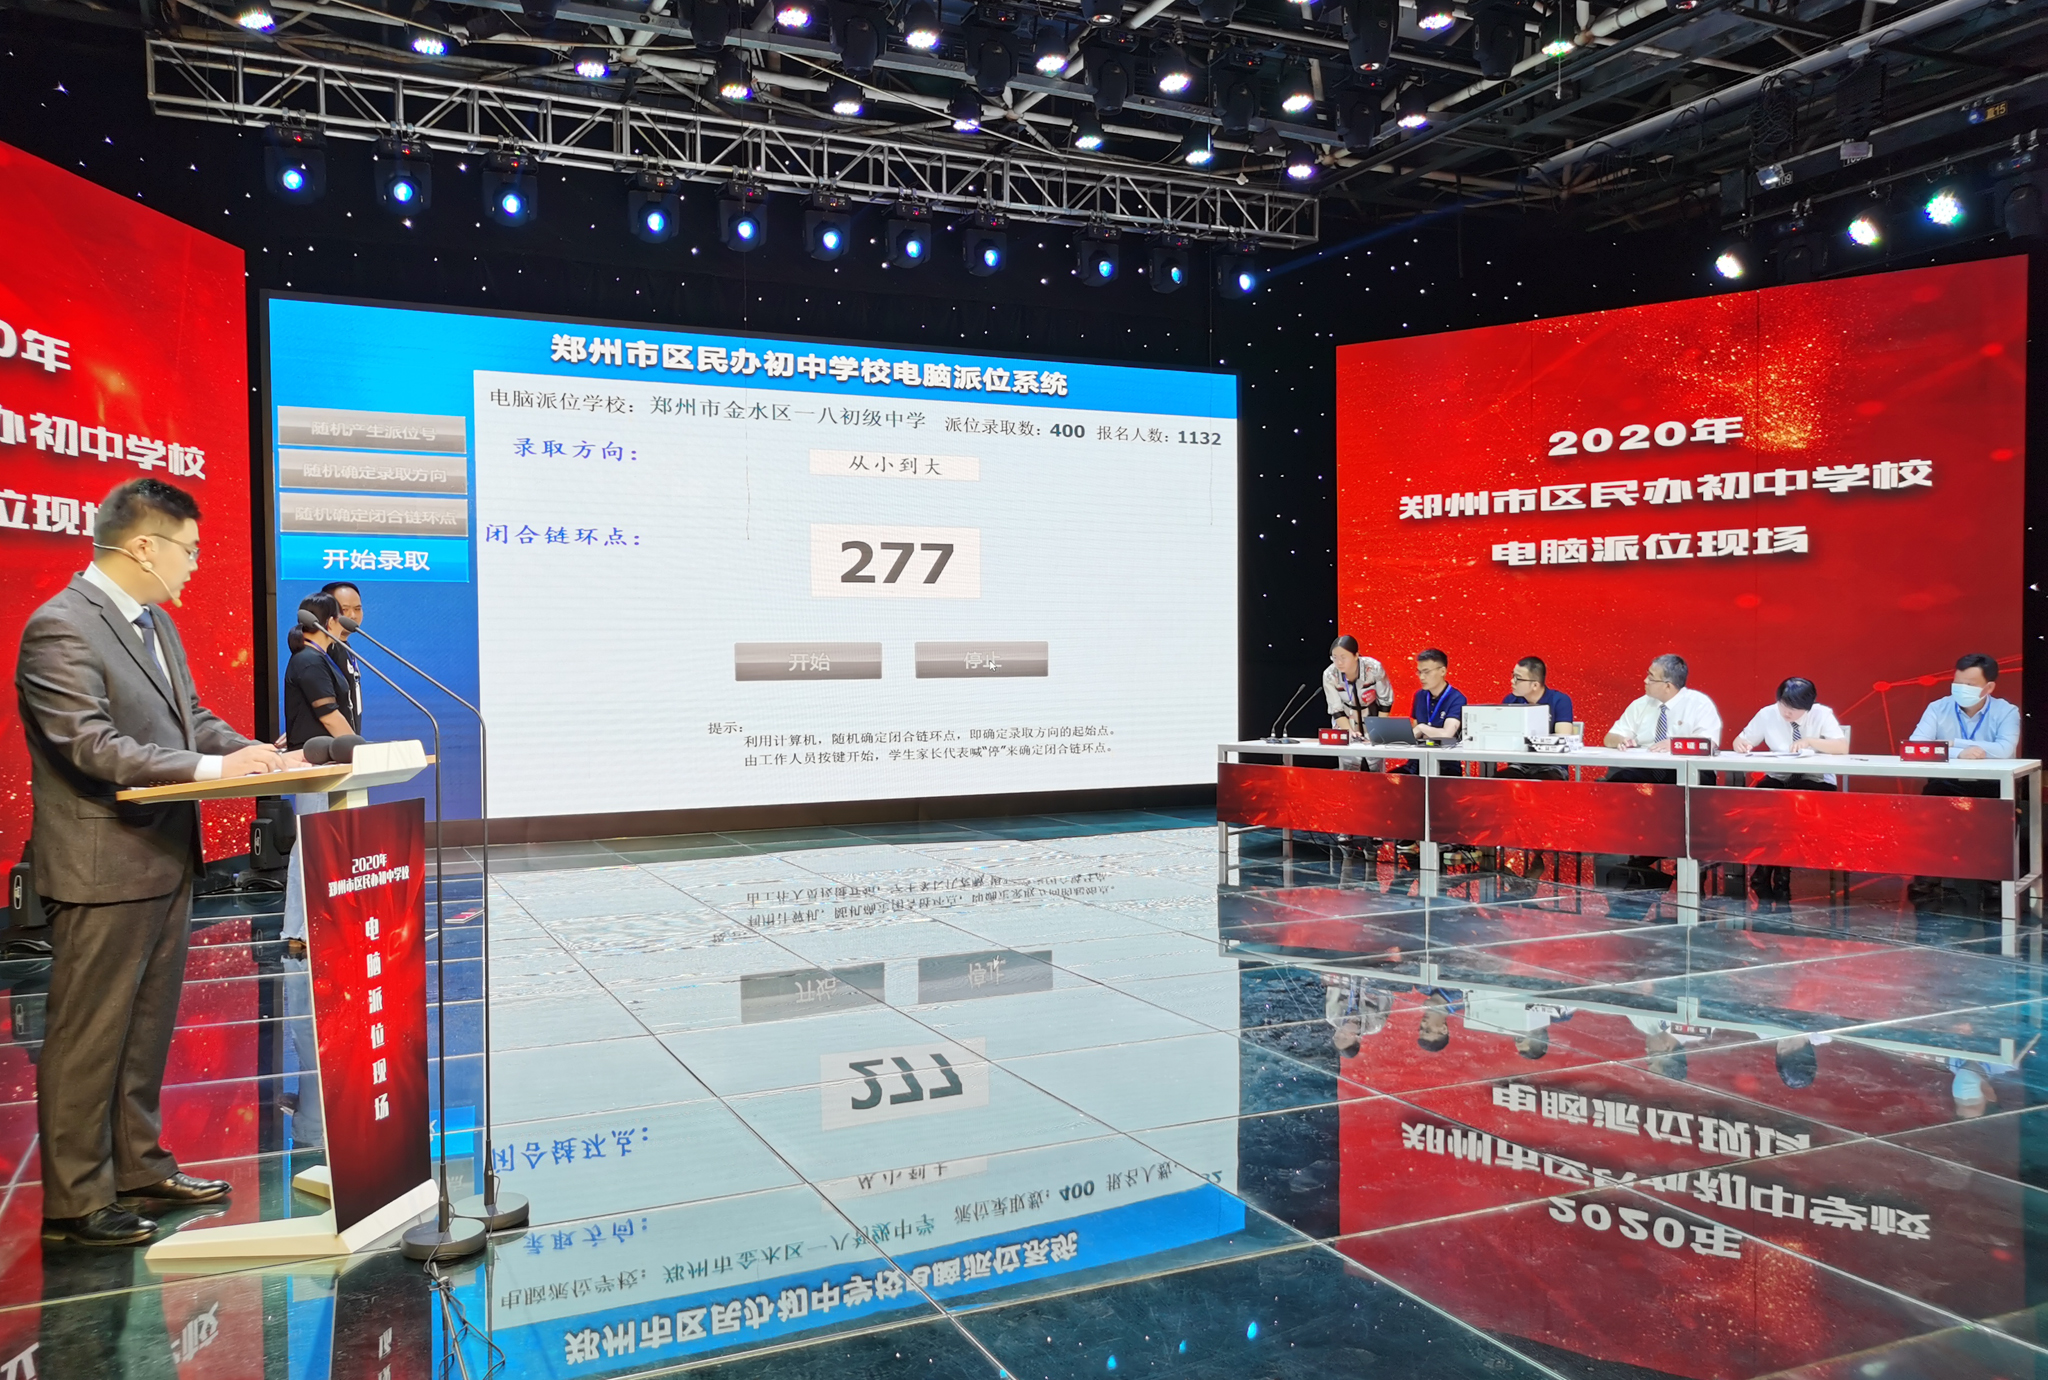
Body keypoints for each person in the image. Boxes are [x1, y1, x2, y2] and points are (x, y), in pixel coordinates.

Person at [16, 478, 289, 1247]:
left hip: (164, 857)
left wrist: (255, 754)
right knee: (89, 1035)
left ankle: (138, 1168)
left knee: (143, 1029)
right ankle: (75, 1204)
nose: (195, 564)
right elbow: (90, 745)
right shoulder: (60, 626)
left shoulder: (156, 625)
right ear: (143, 546)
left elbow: (190, 719)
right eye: (188, 550)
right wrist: (214, 772)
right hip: (102, 865)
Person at [1731, 678, 1850, 903]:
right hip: (1779, 778)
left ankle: (1769, 872)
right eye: (1783, 705)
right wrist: (1741, 744)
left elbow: (1842, 747)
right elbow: (1740, 740)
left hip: (1815, 780)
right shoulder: (1767, 714)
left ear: (1808, 706)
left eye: (1793, 709)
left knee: (1788, 808)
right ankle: (1780, 875)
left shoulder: (1822, 714)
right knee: (1763, 802)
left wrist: (1810, 741)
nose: (1786, 712)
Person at [1908, 654, 2019, 796]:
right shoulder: (1937, 708)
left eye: (1969, 685)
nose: (1962, 689)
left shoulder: (2007, 711)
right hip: (1945, 782)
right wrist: (1958, 753)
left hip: (1992, 783)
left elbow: (2004, 750)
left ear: (1989, 687)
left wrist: (1955, 743)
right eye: (1957, 684)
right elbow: (1916, 746)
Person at [1604, 653, 1721, 786]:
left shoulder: (1699, 704)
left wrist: (1674, 745)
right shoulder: (1640, 704)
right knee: (1620, 778)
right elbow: (1609, 738)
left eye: (1651, 678)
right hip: (1645, 768)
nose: (1645, 681)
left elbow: (1708, 743)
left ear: (1668, 686)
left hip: (1687, 768)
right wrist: (1621, 740)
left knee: (1693, 781)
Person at [283, 593, 361, 750]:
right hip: (315, 756)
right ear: (331, 622)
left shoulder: (317, 657)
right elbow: (329, 717)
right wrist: (360, 751)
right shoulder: (309, 661)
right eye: (341, 619)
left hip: (329, 753)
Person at [1496, 656, 1575, 781]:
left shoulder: (1560, 700)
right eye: (1512, 675)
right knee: (1497, 781)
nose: (1512, 681)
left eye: (1518, 678)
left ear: (1535, 685)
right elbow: (1501, 735)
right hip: (1519, 765)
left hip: (1552, 766)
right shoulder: (1510, 700)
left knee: (1540, 782)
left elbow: (1563, 737)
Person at [1323, 635, 1393, 738]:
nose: (1339, 662)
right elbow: (1336, 709)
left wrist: (1378, 729)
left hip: (1372, 718)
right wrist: (1349, 732)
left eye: (1343, 657)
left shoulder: (1374, 668)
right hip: (1345, 720)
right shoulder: (1330, 675)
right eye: (1335, 657)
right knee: (1348, 744)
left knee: (1375, 744)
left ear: (1356, 655)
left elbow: (1385, 702)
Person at [320, 580, 366, 730]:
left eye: (357, 609)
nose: (353, 615)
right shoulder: (326, 649)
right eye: (345, 609)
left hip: (350, 739)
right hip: (335, 740)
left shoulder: (345, 647)